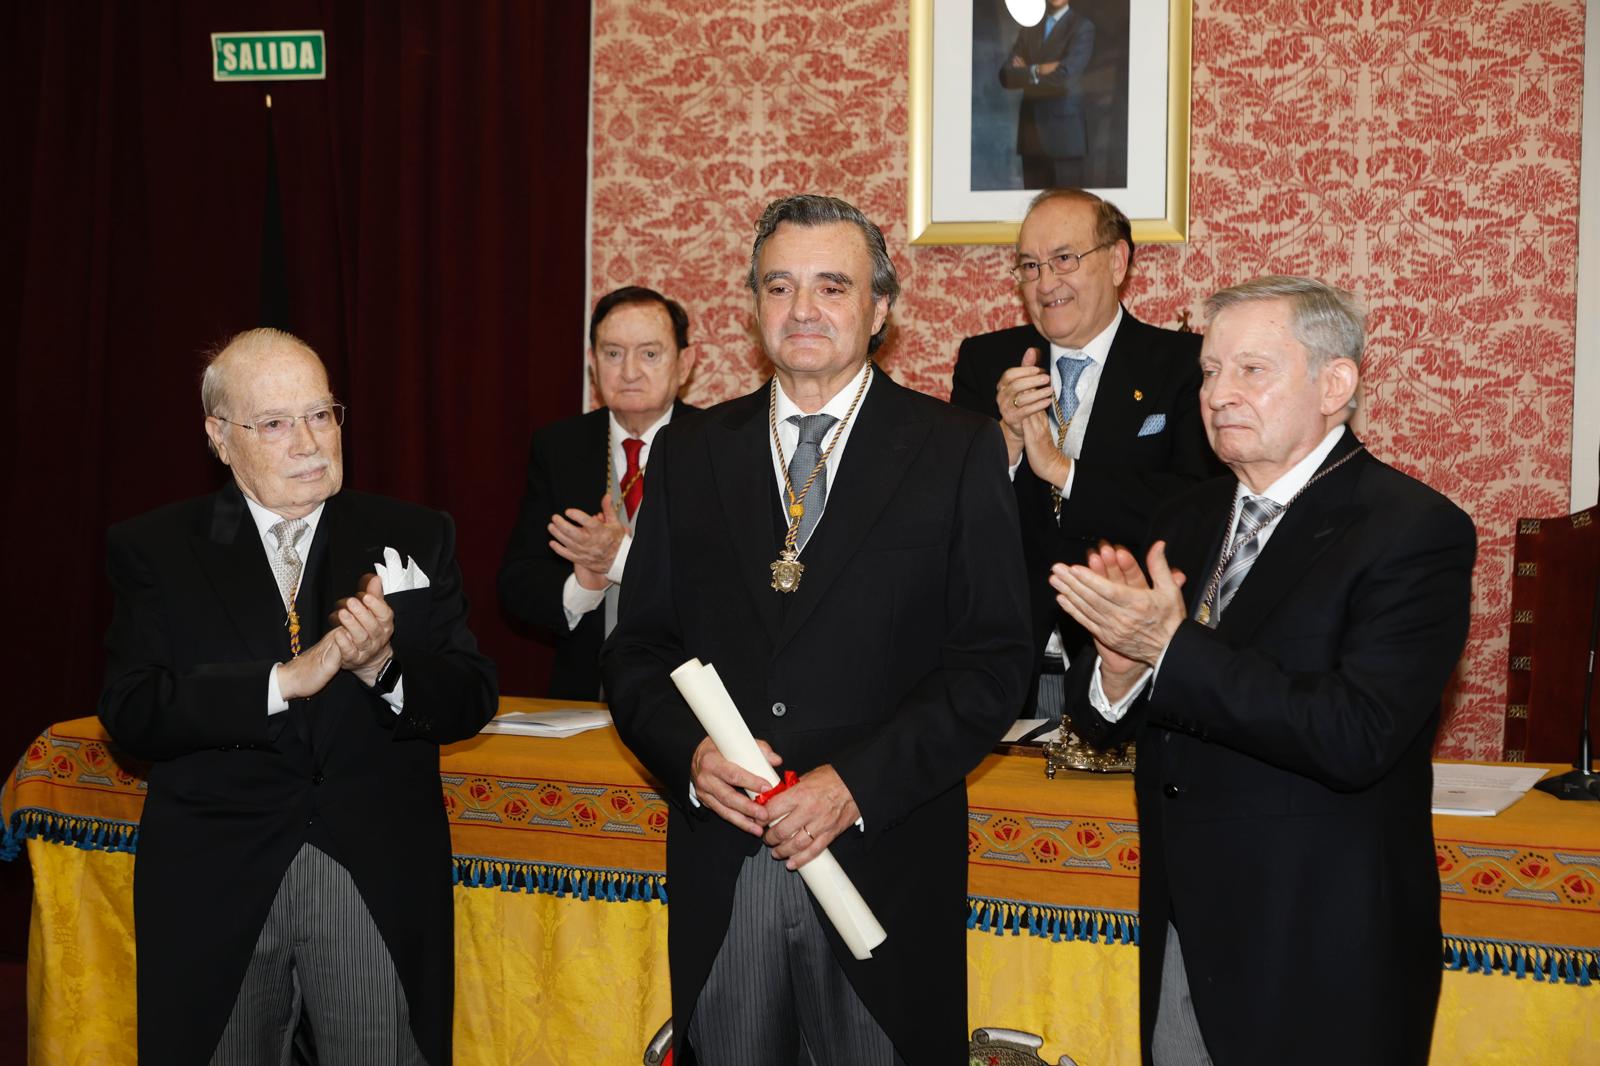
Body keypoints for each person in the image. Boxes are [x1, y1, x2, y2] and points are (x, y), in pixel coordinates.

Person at [603, 195, 1032, 1065]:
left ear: (880, 310)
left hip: (882, 858)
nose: (804, 310)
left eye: (832, 287)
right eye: (780, 287)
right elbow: (638, 649)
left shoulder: (956, 449)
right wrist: (690, 757)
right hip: (729, 859)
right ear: (754, 308)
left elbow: (993, 665)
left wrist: (853, 785)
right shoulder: (692, 452)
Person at [1051, 276, 1476, 1065]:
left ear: (1335, 384)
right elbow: (1110, 717)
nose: (1218, 394)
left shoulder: (1413, 531)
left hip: (1319, 945)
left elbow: (1356, 733)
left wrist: (1169, 650)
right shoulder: (1184, 519)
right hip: (1184, 926)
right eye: (1210, 371)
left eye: (1252, 370)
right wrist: (1116, 666)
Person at [98, 329, 497, 1066]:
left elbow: (472, 695)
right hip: (216, 876)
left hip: (372, 869)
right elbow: (132, 710)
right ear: (220, 437)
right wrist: (282, 682)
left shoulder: (411, 534)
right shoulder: (156, 547)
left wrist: (384, 668)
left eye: (322, 414)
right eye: (276, 423)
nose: (310, 441)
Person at [950, 188, 1218, 719]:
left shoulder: (1183, 364)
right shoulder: (987, 362)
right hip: (1005, 654)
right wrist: (1003, 440)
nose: (1045, 283)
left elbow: (1196, 507)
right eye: (1030, 265)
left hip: (1124, 657)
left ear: (1117, 261)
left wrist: (1062, 470)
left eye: (1064, 259)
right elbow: (952, 512)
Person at [498, 286, 697, 700]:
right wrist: (585, 584)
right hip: (585, 694)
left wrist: (621, 560)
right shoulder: (559, 447)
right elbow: (518, 582)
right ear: (592, 364)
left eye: (649, 354)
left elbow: (731, 592)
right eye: (612, 353)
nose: (628, 372)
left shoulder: (719, 447)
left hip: (689, 697)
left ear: (684, 364)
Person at [998, 0, 1095, 188]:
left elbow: (1065, 80)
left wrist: (1026, 71)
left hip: (1064, 139)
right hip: (1031, 135)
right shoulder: (1030, 28)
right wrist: (1039, 69)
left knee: (1066, 210)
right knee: (1031, 209)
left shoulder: (1082, 27)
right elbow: (1006, 76)